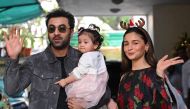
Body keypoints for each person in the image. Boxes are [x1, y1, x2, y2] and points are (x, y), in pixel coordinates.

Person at [3, 8, 110, 109]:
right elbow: (12, 90)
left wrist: (85, 106)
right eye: (51, 29)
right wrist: (13, 58)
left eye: (62, 28)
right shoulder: (35, 61)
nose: (56, 33)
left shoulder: (85, 58)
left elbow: (105, 94)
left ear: (71, 32)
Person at [117, 21, 187, 109]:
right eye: (126, 44)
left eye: (135, 43)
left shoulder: (156, 74)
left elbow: (167, 105)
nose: (129, 48)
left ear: (146, 46)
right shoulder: (124, 77)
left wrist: (160, 77)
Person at [55, 24, 109, 108]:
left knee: (74, 97)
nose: (81, 44)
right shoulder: (99, 54)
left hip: (88, 85)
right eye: (79, 42)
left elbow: (78, 74)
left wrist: (65, 81)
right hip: (99, 84)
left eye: (85, 42)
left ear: (95, 45)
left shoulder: (86, 56)